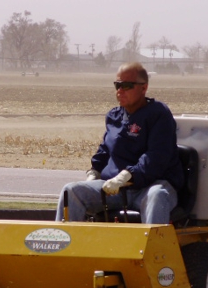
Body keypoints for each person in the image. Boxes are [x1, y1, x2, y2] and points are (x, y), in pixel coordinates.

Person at [55, 62, 184, 224]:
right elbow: (105, 151)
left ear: (143, 88)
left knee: (157, 197)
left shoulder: (158, 114)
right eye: (117, 85)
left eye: (127, 86)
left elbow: (156, 157)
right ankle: (65, 244)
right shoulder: (113, 116)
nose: (120, 91)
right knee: (71, 191)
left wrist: (126, 176)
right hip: (116, 190)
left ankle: (154, 248)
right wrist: (94, 172)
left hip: (150, 187)